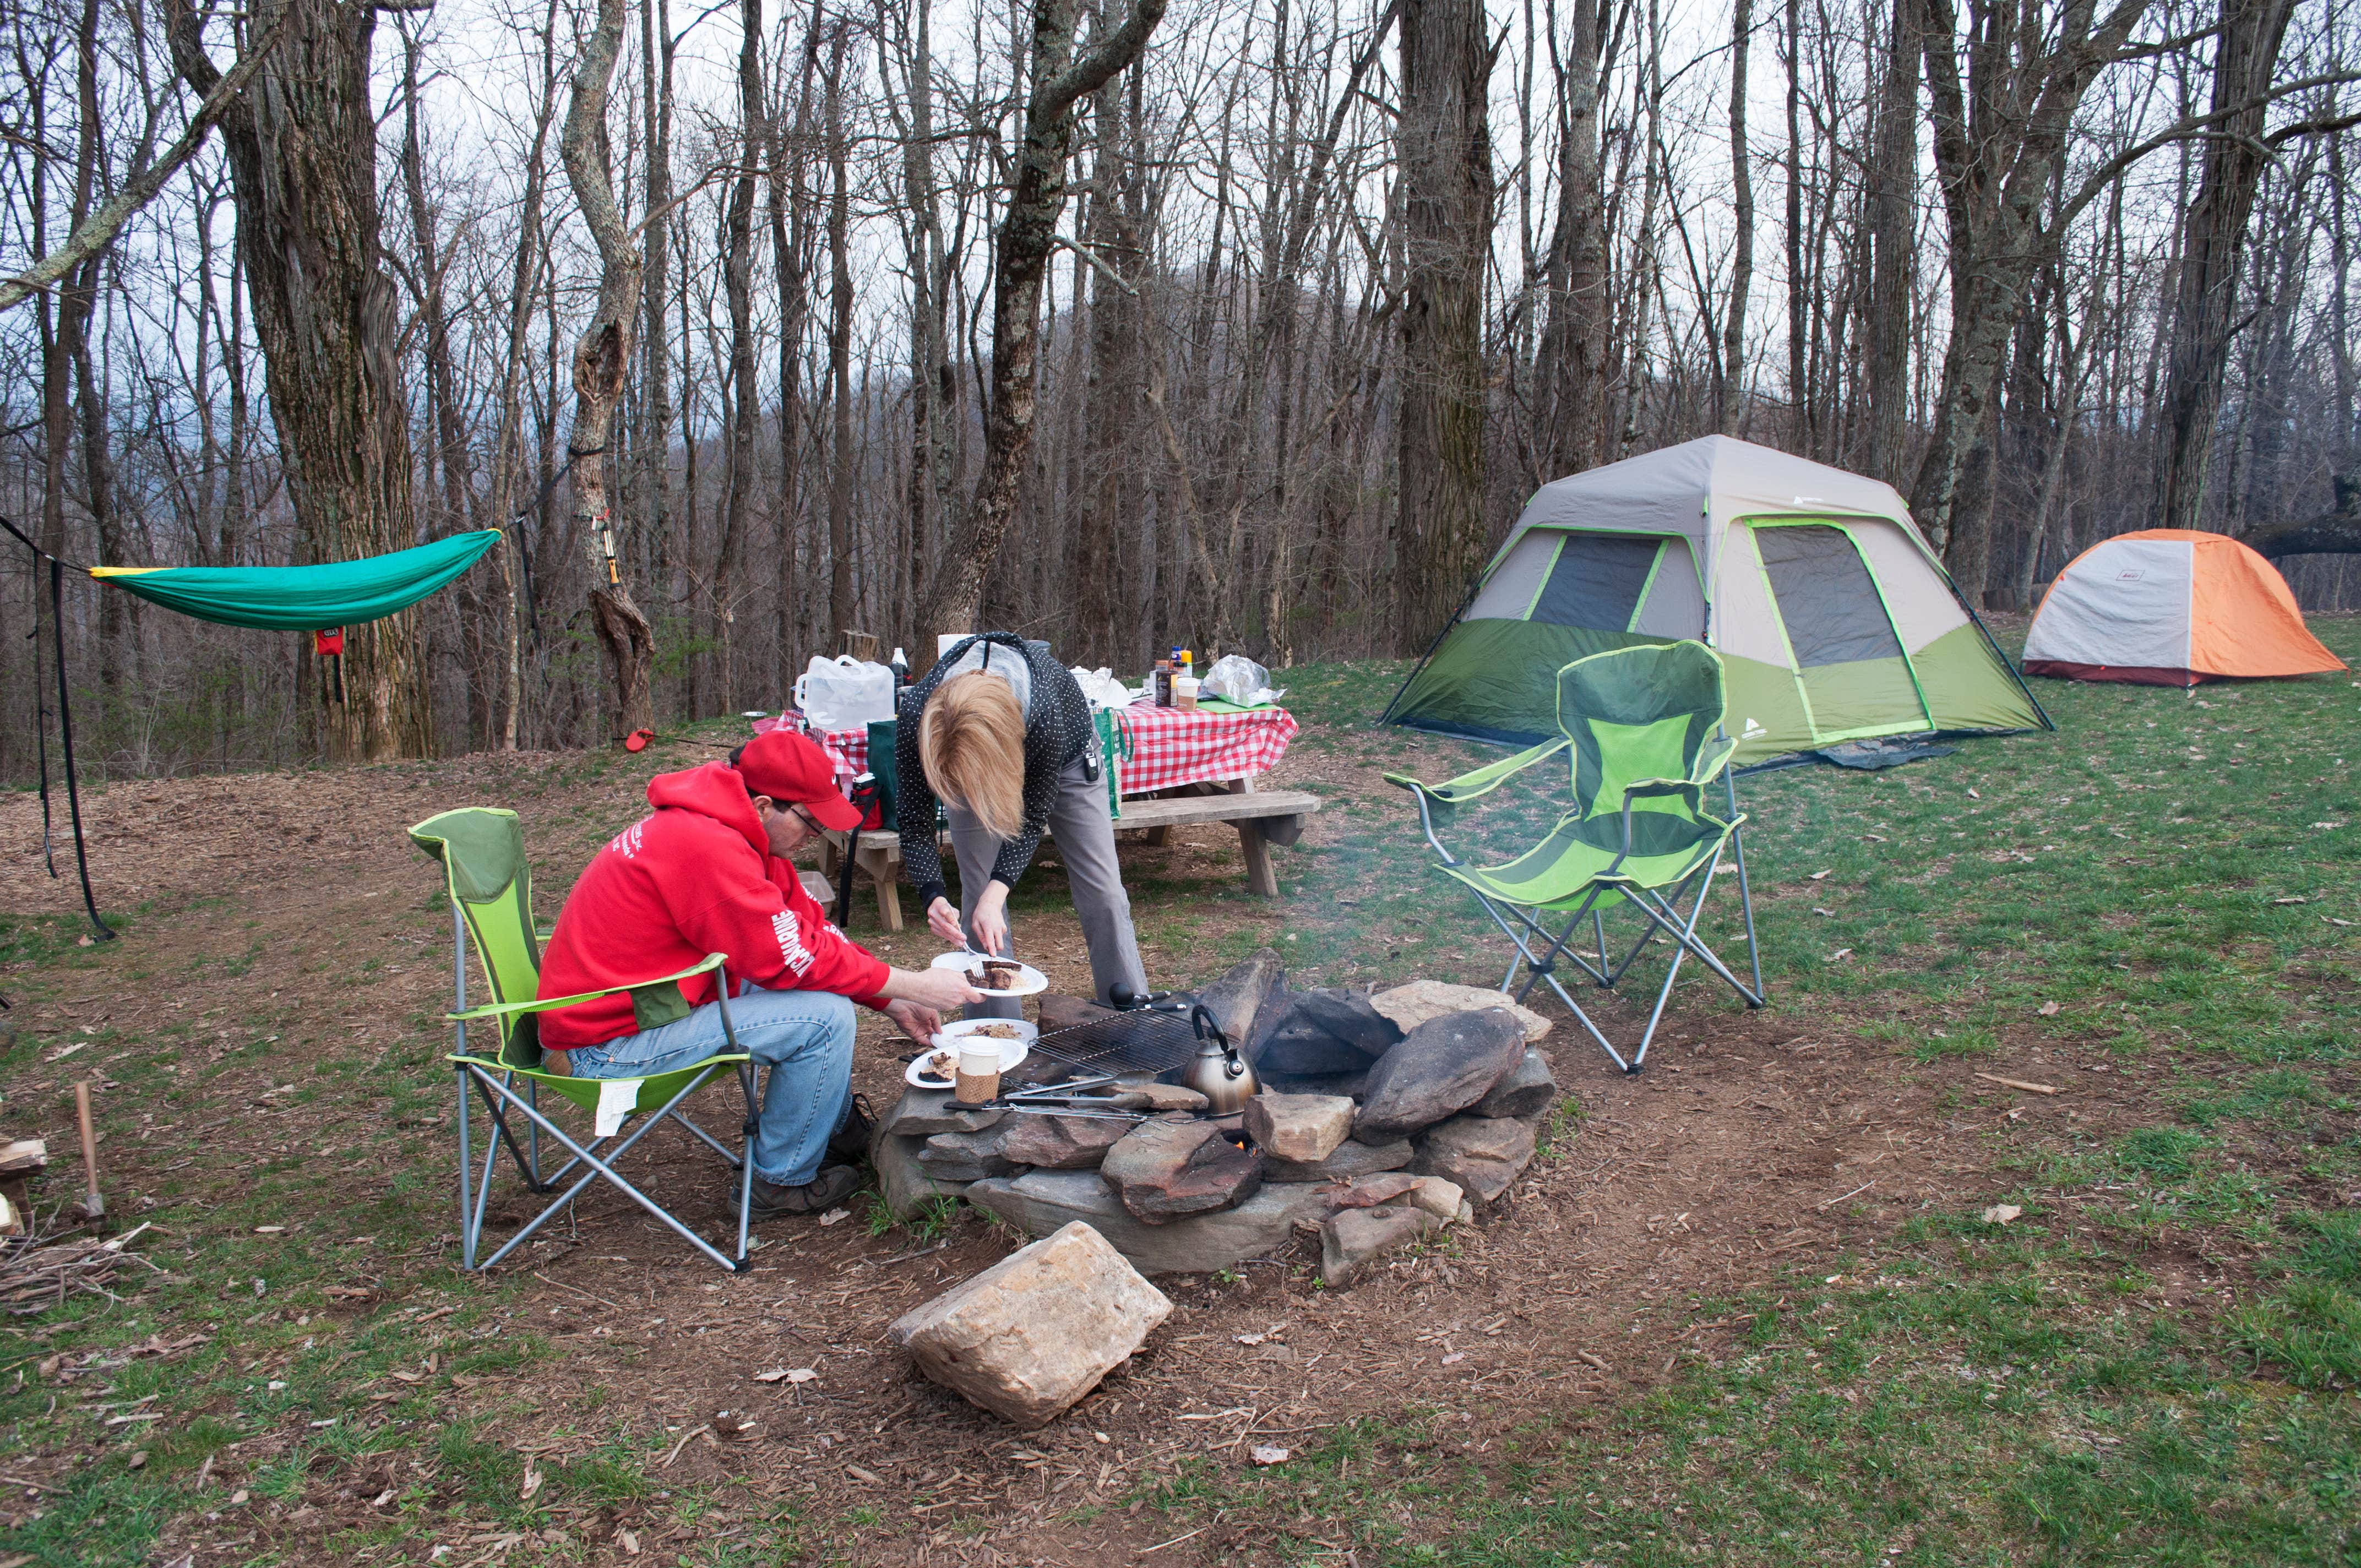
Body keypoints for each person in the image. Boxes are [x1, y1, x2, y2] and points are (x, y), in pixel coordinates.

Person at [535, 728, 979, 1217]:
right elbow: (789, 957)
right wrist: (914, 984)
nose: (817, 836)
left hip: (652, 1008)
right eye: (811, 822)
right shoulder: (703, 845)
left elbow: (810, 932)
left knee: (811, 992)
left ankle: (829, 1125)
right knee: (824, 1020)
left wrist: (888, 999)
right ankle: (780, 1182)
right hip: (604, 1048)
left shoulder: (738, 834)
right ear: (766, 805)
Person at [896, 633, 1149, 1017]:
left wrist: (1000, 894)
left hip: (1069, 760)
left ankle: (1132, 1019)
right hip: (974, 754)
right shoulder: (918, 713)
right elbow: (914, 821)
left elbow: (1033, 814)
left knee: (1104, 894)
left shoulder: (1043, 708)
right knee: (979, 898)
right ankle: (995, 1041)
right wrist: (933, 895)